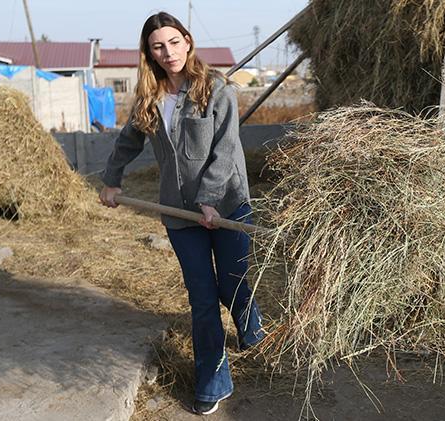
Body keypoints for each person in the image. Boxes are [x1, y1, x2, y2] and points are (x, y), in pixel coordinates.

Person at [98, 11, 264, 416]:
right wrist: (111, 180)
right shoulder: (150, 97)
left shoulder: (216, 88)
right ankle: (213, 380)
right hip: (178, 212)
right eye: (158, 46)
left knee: (232, 284)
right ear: (149, 53)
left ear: (187, 41)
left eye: (174, 42)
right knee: (203, 297)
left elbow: (226, 148)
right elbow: (128, 140)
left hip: (227, 205)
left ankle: (251, 327)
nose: (168, 52)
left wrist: (210, 198)